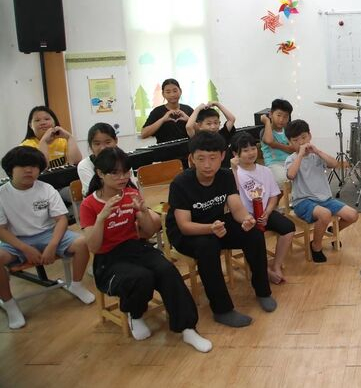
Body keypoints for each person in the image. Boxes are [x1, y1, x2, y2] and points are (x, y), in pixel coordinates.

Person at [79, 147, 211, 352]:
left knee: (167, 270)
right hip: (108, 259)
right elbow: (94, 247)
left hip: (136, 248)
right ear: (100, 174)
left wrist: (142, 213)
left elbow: (148, 232)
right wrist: (101, 218)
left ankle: (187, 328)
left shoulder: (131, 194)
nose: (122, 178)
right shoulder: (89, 205)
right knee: (140, 277)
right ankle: (135, 313)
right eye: (114, 173)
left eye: (125, 172)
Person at [166, 131, 276, 328]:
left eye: (213, 158)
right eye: (201, 159)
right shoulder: (181, 183)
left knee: (253, 234)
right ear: (191, 159)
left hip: (216, 224)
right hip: (188, 233)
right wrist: (210, 228)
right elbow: (184, 225)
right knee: (208, 247)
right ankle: (222, 310)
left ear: (222, 156)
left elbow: (237, 209)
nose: (207, 165)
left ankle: (263, 291)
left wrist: (247, 219)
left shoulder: (225, 176)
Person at [0, 146, 95, 330]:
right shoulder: (2, 194)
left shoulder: (46, 188)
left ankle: (76, 285)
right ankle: (9, 303)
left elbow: (61, 220)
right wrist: (25, 248)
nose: (29, 170)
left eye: (34, 166)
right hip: (15, 239)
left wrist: (52, 245)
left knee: (82, 243)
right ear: (10, 169)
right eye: (23, 166)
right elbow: (1, 230)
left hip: (48, 234)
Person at [285, 120, 359, 263]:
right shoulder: (291, 159)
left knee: (352, 215)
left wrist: (318, 152)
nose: (301, 142)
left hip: (325, 199)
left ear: (310, 136)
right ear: (290, 142)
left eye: (304, 137)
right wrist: (300, 155)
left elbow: (335, 164)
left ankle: (332, 231)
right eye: (295, 140)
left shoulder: (316, 156)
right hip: (303, 202)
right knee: (325, 214)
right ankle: (316, 246)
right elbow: (291, 175)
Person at [230, 132, 295, 283]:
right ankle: (264, 270)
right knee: (253, 237)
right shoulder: (233, 173)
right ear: (235, 154)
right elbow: (234, 194)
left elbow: (273, 195)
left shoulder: (265, 170)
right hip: (245, 217)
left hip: (265, 212)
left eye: (253, 148)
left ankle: (276, 265)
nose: (251, 153)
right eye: (245, 150)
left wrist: (268, 212)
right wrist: (233, 170)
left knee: (288, 228)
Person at [140, 78, 193, 143]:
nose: (172, 95)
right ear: (163, 94)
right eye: (168, 92)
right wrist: (163, 119)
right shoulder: (157, 111)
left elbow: (201, 130)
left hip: (187, 148)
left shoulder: (188, 109)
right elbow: (143, 134)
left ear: (180, 91)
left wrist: (188, 119)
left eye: (175, 91)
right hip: (164, 149)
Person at [77, 123, 122, 196]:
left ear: (116, 140)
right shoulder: (84, 165)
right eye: (97, 144)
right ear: (91, 146)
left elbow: (131, 187)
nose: (103, 148)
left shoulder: (122, 160)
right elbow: (95, 195)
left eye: (108, 142)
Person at [260, 99, 295, 186]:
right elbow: (269, 141)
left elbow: (293, 149)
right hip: (274, 164)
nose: (281, 119)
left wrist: (274, 144)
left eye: (285, 116)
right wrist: (267, 122)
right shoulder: (265, 131)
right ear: (271, 114)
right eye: (279, 115)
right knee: (284, 179)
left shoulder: (287, 131)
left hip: (289, 162)